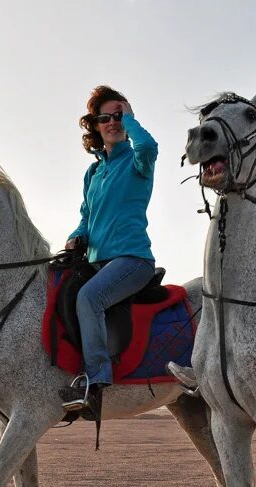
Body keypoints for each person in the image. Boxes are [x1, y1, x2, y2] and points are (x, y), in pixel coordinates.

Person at [59, 86, 158, 418]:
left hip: (132, 260)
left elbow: (149, 145)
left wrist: (132, 120)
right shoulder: (94, 172)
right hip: (95, 261)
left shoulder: (137, 160)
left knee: (89, 299)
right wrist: (76, 236)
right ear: (96, 125)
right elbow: (87, 217)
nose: (113, 122)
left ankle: (95, 381)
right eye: (106, 117)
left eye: (119, 115)